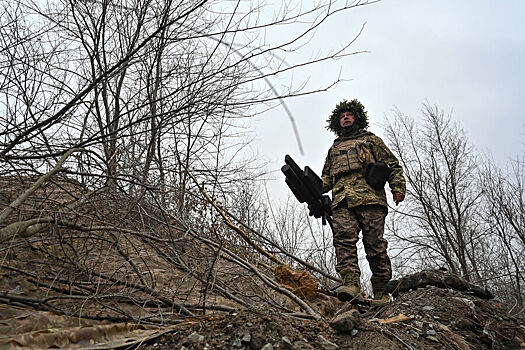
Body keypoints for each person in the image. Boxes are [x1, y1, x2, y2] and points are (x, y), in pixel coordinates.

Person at [321, 99, 406, 306]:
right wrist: (311, 188)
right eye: (342, 116)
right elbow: (326, 178)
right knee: (343, 241)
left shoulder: (371, 140)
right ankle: (351, 284)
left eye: (349, 115)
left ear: (356, 117)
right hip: (342, 201)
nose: (345, 118)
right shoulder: (334, 148)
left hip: (370, 199)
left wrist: (398, 188)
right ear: (337, 122)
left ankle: (381, 291)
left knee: (375, 245)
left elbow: (393, 165)